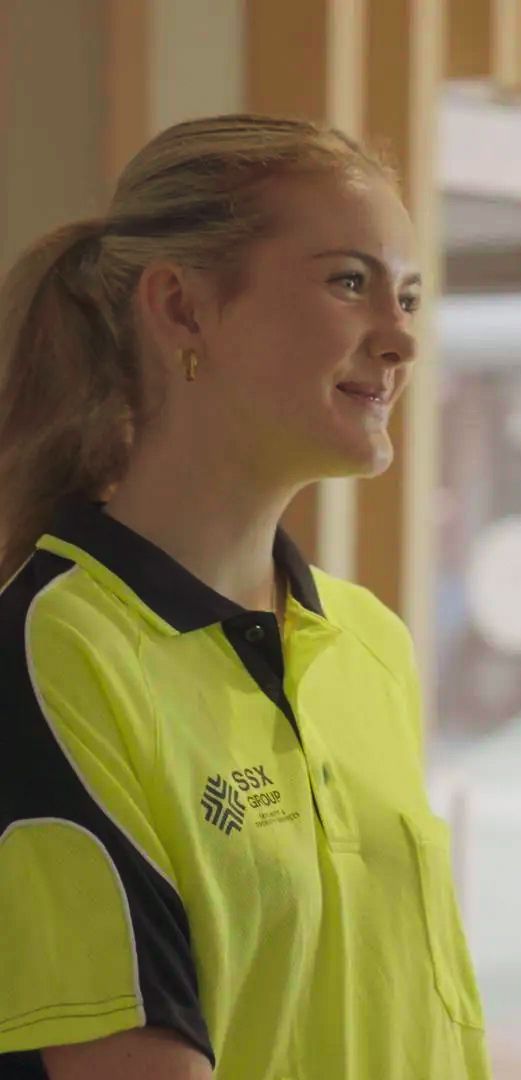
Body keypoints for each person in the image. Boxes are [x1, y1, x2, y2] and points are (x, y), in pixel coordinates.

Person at [0, 115, 489, 1078]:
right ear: (182, 309)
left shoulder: (370, 645)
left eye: (411, 298)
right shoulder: (55, 645)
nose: (400, 340)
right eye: (349, 282)